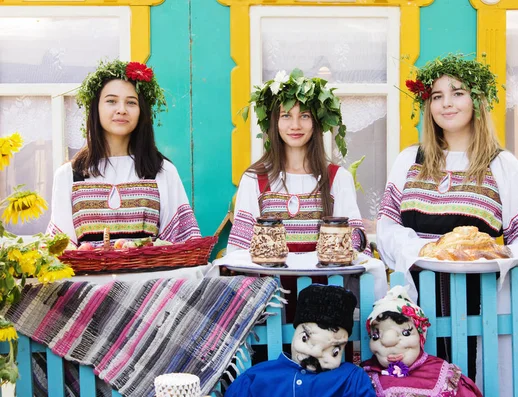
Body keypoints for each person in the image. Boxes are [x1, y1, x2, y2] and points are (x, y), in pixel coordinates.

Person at [376, 54, 518, 394]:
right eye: (437, 96)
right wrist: (424, 249)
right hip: (416, 298)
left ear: (476, 100)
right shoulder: (409, 160)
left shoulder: (500, 164)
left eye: (457, 93)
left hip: (481, 303)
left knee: (473, 383)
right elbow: (387, 227)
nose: (447, 104)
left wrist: (500, 253)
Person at [47, 60, 200, 247]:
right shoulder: (68, 176)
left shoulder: (162, 171)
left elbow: (181, 246)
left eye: (131, 102)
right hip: (86, 276)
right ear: (96, 108)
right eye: (111, 101)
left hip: (153, 275)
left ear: (141, 111)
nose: (121, 109)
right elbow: (62, 251)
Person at [227, 68, 368, 255]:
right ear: (274, 122)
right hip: (269, 283)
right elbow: (240, 251)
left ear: (316, 122)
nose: (295, 125)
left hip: (326, 283)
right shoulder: (255, 180)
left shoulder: (337, 179)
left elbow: (353, 249)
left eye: (304, 116)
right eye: (286, 116)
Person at [225, 284, 376, 397]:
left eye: (334, 351)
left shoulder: (352, 379)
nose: (316, 353)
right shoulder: (257, 378)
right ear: (295, 334)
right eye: (306, 339)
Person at [361, 285, 482, 397]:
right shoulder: (365, 377)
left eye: (406, 332)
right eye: (376, 336)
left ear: (421, 336)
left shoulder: (442, 374)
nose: (389, 343)